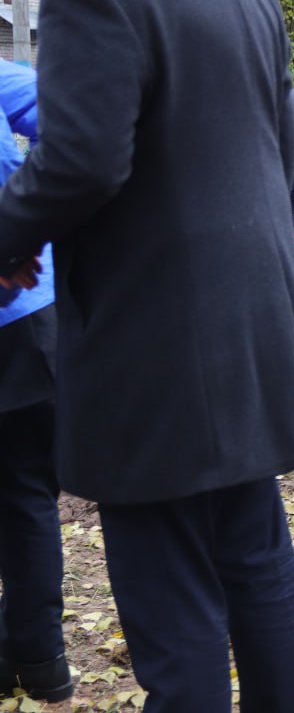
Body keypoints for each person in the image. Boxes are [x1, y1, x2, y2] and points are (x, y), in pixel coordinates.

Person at [0, 0, 294, 710]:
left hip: (154, 355)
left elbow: (81, 162)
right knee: (256, 569)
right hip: (255, 329)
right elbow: (275, 147)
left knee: (176, 614)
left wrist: (8, 240)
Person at [0, 61, 72, 704]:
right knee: (26, 492)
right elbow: (72, 122)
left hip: (20, 305)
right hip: (22, 310)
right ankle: (40, 657)